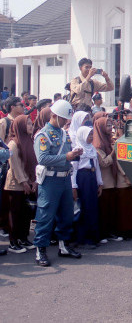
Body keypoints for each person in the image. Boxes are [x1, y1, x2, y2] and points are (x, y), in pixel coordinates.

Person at [33, 100, 83, 267]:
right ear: (53, 116)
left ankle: (63, 245)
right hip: (50, 180)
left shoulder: (64, 134)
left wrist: (75, 154)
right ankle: (41, 249)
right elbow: (42, 158)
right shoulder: (43, 135)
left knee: (67, 214)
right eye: (62, 119)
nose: (65, 122)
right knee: (45, 215)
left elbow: (67, 154)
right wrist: (66, 157)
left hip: (64, 178)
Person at [4, 115, 38, 253]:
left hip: (28, 183)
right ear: (21, 126)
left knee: (26, 213)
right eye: (28, 124)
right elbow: (15, 166)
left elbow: (33, 163)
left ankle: (23, 238)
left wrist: (34, 181)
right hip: (15, 184)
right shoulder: (13, 144)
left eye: (31, 124)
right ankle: (13, 241)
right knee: (15, 213)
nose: (31, 126)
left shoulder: (29, 141)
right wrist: (24, 182)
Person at [72, 126, 103, 249]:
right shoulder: (77, 149)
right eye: (89, 135)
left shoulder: (92, 149)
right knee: (83, 208)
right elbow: (73, 170)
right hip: (82, 178)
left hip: (91, 177)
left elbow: (97, 167)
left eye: (92, 135)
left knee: (92, 207)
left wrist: (100, 183)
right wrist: (74, 186)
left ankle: (93, 237)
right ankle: (82, 238)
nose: (91, 137)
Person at [94, 117, 124, 243]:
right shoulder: (98, 144)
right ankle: (104, 234)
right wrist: (114, 151)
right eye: (107, 126)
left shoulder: (107, 140)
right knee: (105, 211)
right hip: (105, 182)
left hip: (112, 181)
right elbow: (104, 162)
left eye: (110, 125)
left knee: (111, 210)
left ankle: (110, 232)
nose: (110, 128)